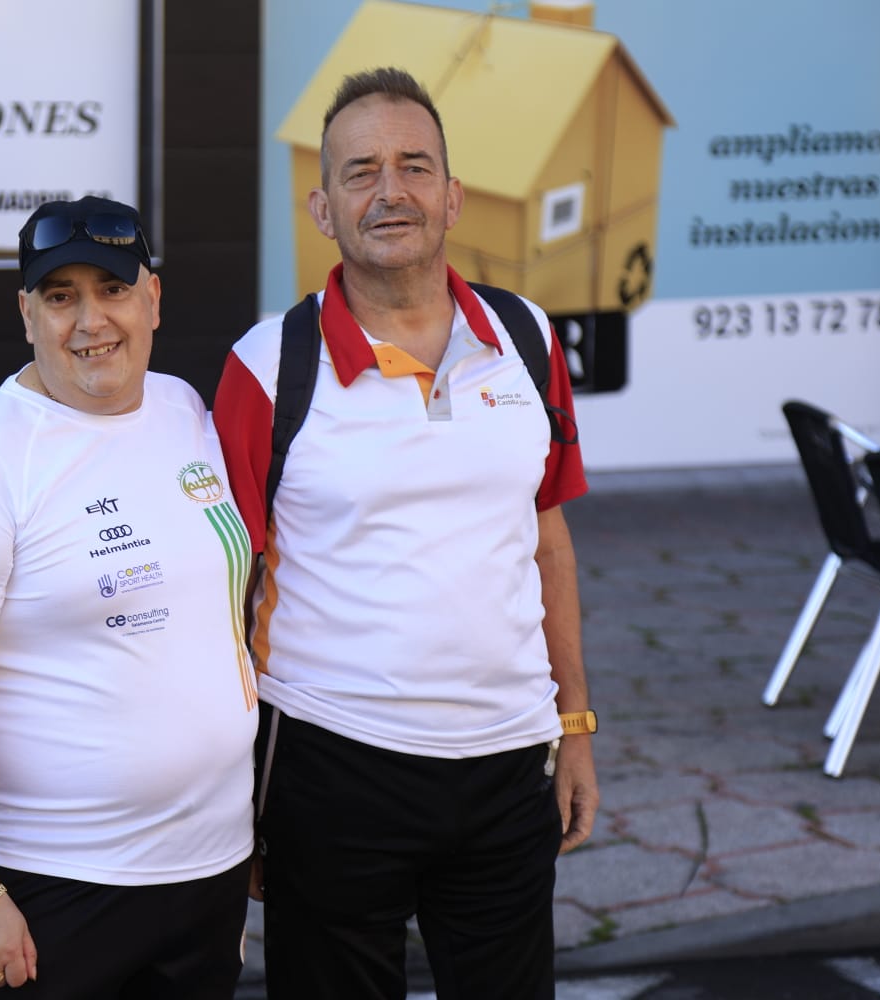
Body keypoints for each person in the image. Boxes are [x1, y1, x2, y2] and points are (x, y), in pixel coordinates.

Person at [212, 67, 599, 1000]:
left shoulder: (528, 336)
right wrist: (230, 789)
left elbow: (546, 542)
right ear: (322, 208)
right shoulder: (267, 368)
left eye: (414, 166)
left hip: (511, 764)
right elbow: (222, 588)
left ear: (454, 195)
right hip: (333, 765)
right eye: (361, 172)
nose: (391, 191)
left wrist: (575, 725)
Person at [0, 196, 257, 997]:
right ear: (27, 314)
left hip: (209, 873)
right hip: (53, 885)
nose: (91, 319)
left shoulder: (186, 410)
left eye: (112, 290)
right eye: (61, 297)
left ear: (152, 298)